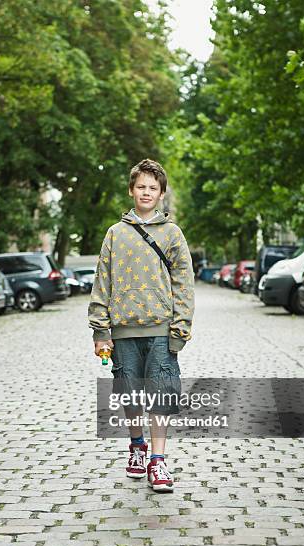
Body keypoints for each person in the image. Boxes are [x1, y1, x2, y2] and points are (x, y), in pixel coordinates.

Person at [88, 159, 195, 492]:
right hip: (123, 332)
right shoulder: (115, 234)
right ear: (131, 190)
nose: (146, 192)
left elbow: (184, 283)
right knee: (130, 396)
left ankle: (158, 462)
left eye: (153, 188)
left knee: (161, 396)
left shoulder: (173, 234)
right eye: (141, 187)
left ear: (161, 194)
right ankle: (137, 446)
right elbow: (101, 281)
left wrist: (180, 328)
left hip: (161, 330)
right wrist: (100, 330)